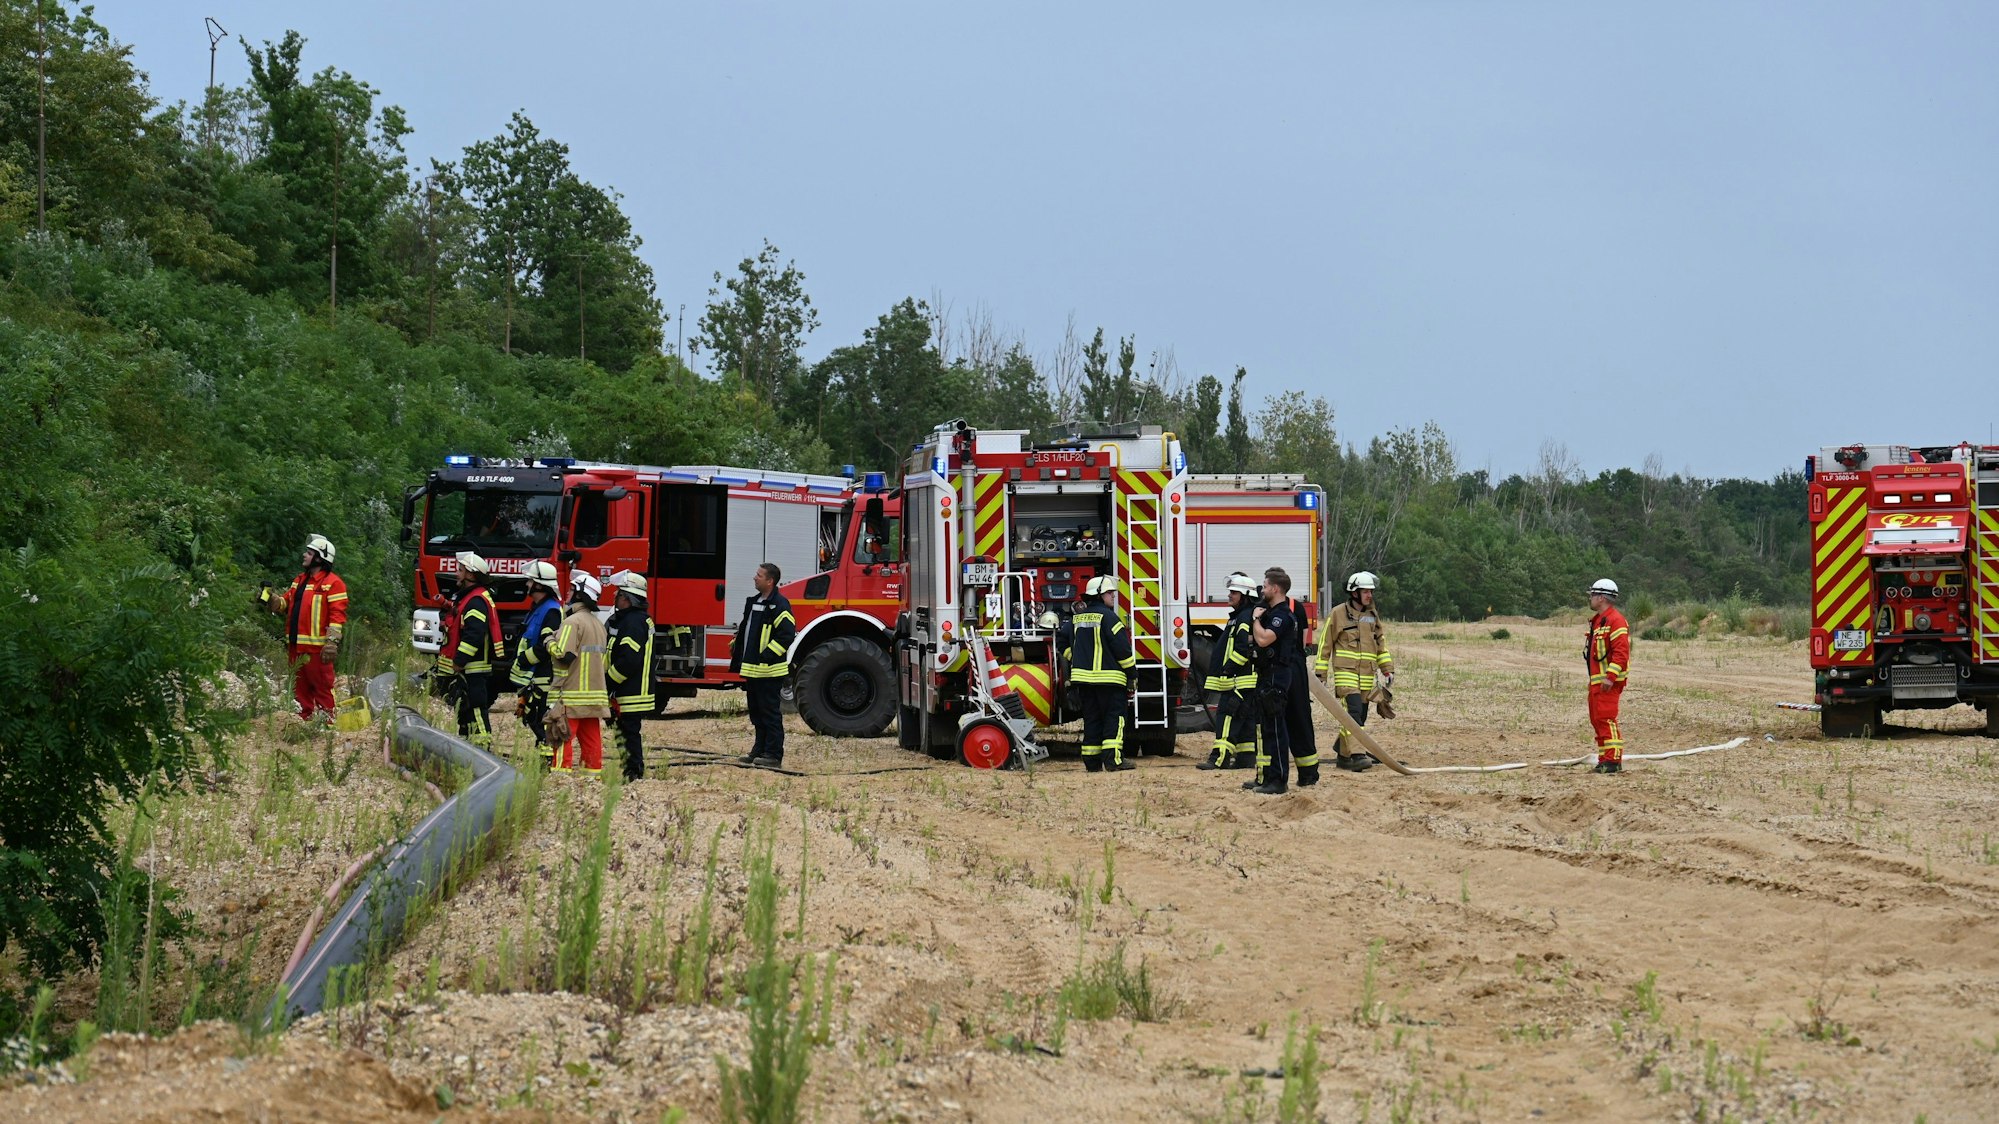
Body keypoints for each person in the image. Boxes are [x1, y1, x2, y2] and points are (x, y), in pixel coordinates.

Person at [263, 533, 348, 722]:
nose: (304, 555)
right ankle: (302, 724)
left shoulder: (333, 584)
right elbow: (286, 603)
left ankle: (327, 727)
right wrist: (274, 600)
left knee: (323, 689)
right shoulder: (299, 580)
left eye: (309, 553)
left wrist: (332, 642)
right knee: (299, 691)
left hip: (318, 650)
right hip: (295, 647)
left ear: (319, 558)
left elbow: (337, 616)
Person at [1248, 567, 1317, 793]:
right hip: (1269, 673)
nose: (1263, 589)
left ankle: (1278, 781)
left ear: (1275, 588)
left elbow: (1264, 639)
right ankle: (1267, 777)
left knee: (1277, 728)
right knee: (1267, 728)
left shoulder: (1282, 615)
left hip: (1278, 674)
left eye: (1266, 586)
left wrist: (1256, 620)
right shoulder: (1273, 612)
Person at [1319, 570, 1396, 772]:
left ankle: (1342, 753)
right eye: (1366, 591)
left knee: (1359, 716)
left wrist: (1387, 670)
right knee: (1353, 712)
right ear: (1354, 592)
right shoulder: (1337, 614)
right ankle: (1358, 755)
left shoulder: (1372, 616)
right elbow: (1324, 644)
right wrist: (1321, 673)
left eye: (1371, 591)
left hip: (1366, 677)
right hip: (1346, 674)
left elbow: (1381, 644)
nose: (1370, 595)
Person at [1060, 575, 1137, 772]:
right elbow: (1123, 650)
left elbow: (1061, 641)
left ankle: (1092, 763)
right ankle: (1114, 761)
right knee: (1114, 719)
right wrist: (1132, 675)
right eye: (1109, 593)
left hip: (1083, 682)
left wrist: (1073, 657)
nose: (1113, 595)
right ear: (1099, 595)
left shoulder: (1076, 619)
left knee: (1092, 720)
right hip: (1110, 681)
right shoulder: (1110, 618)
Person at [730, 562, 796, 767]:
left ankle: (773, 755)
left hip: (769, 671)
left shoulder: (780, 605)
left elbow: (786, 635)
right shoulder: (754, 602)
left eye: (759, 575)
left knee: (770, 714)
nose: (754, 578)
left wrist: (767, 656)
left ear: (770, 581)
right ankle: (759, 750)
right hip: (753, 671)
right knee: (757, 714)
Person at [548, 571, 611, 773]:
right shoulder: (599, 625)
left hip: (572, 694)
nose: (568, 594)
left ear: (580, 595)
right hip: (594, 696)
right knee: (591, 740)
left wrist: (549, 641)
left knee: (562, 735)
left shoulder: (571, 622)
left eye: (573, 589)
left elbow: (564, 655)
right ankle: (591, 780)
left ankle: (559, 776)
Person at [1198, 572, 1261, 771]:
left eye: (1233, 592)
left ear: (1244, 596)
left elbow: (1243, 649)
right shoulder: (1239, 617)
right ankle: (1246, 757)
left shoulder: (1243, 618)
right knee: (1246, 719)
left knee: (1227, 718)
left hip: (1237, 681)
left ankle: (1219, 758)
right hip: (1242, 681)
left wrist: (1228, 669)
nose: (1229, 596)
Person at [508, 560, 565, 769]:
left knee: (540, 718)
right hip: (534, 675)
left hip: (542, 675)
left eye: (530, 581)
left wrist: (523, 660)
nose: (527, 585)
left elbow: (545, 646)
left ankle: (547, 762)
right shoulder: (539, 608)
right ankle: (544, 758)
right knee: (533, 717)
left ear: (540, 585)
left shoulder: (551, 611)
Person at [446, 552, 501, 751]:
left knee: (476, 708)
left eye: (460, 570)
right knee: (466, 710)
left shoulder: (476, 601)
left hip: (474, 668)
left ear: (471, 575)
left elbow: (474, 635)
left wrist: (459, 661)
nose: (456, 574)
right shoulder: (470, 598)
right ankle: (469, 751)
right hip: (469, 668)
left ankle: (483, 753)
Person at [606, 571, 656, 782]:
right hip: (625, 688)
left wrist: (608, 682)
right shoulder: (628, 619)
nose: (615, 599)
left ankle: (634, 773)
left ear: (627, 598)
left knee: (629, 732)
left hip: (631, 690)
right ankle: (630, 770)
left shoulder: (634, 623)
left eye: (618, 595)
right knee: (623, 732)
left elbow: (629, 660)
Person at [1585, 578, 1631, 774]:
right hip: (1598, 682)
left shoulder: (1615, 620)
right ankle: (1604, 759)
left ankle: (1613, 761)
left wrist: (1610, 677)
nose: (1591, 598)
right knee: (1597, 719)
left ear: (1601, 597)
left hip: (1607, 683)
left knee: (1606, 718)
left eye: (1593, 595)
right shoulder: (1599, 621)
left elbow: (1621, 653)